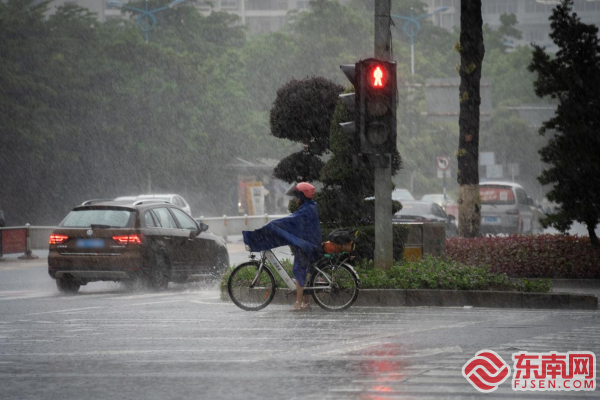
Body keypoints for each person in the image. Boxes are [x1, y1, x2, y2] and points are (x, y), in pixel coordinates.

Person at [242, 182, 321, 311]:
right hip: (309, 243)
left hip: (307, 246)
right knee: (307, 274)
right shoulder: (310, 206)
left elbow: (290, 221)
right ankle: (306, 304)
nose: (294, 199)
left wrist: (274, 225)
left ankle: (298, 303)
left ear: (302, 196)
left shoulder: (306, 209)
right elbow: (293, 221)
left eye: (296, 196)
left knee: (298, 270)